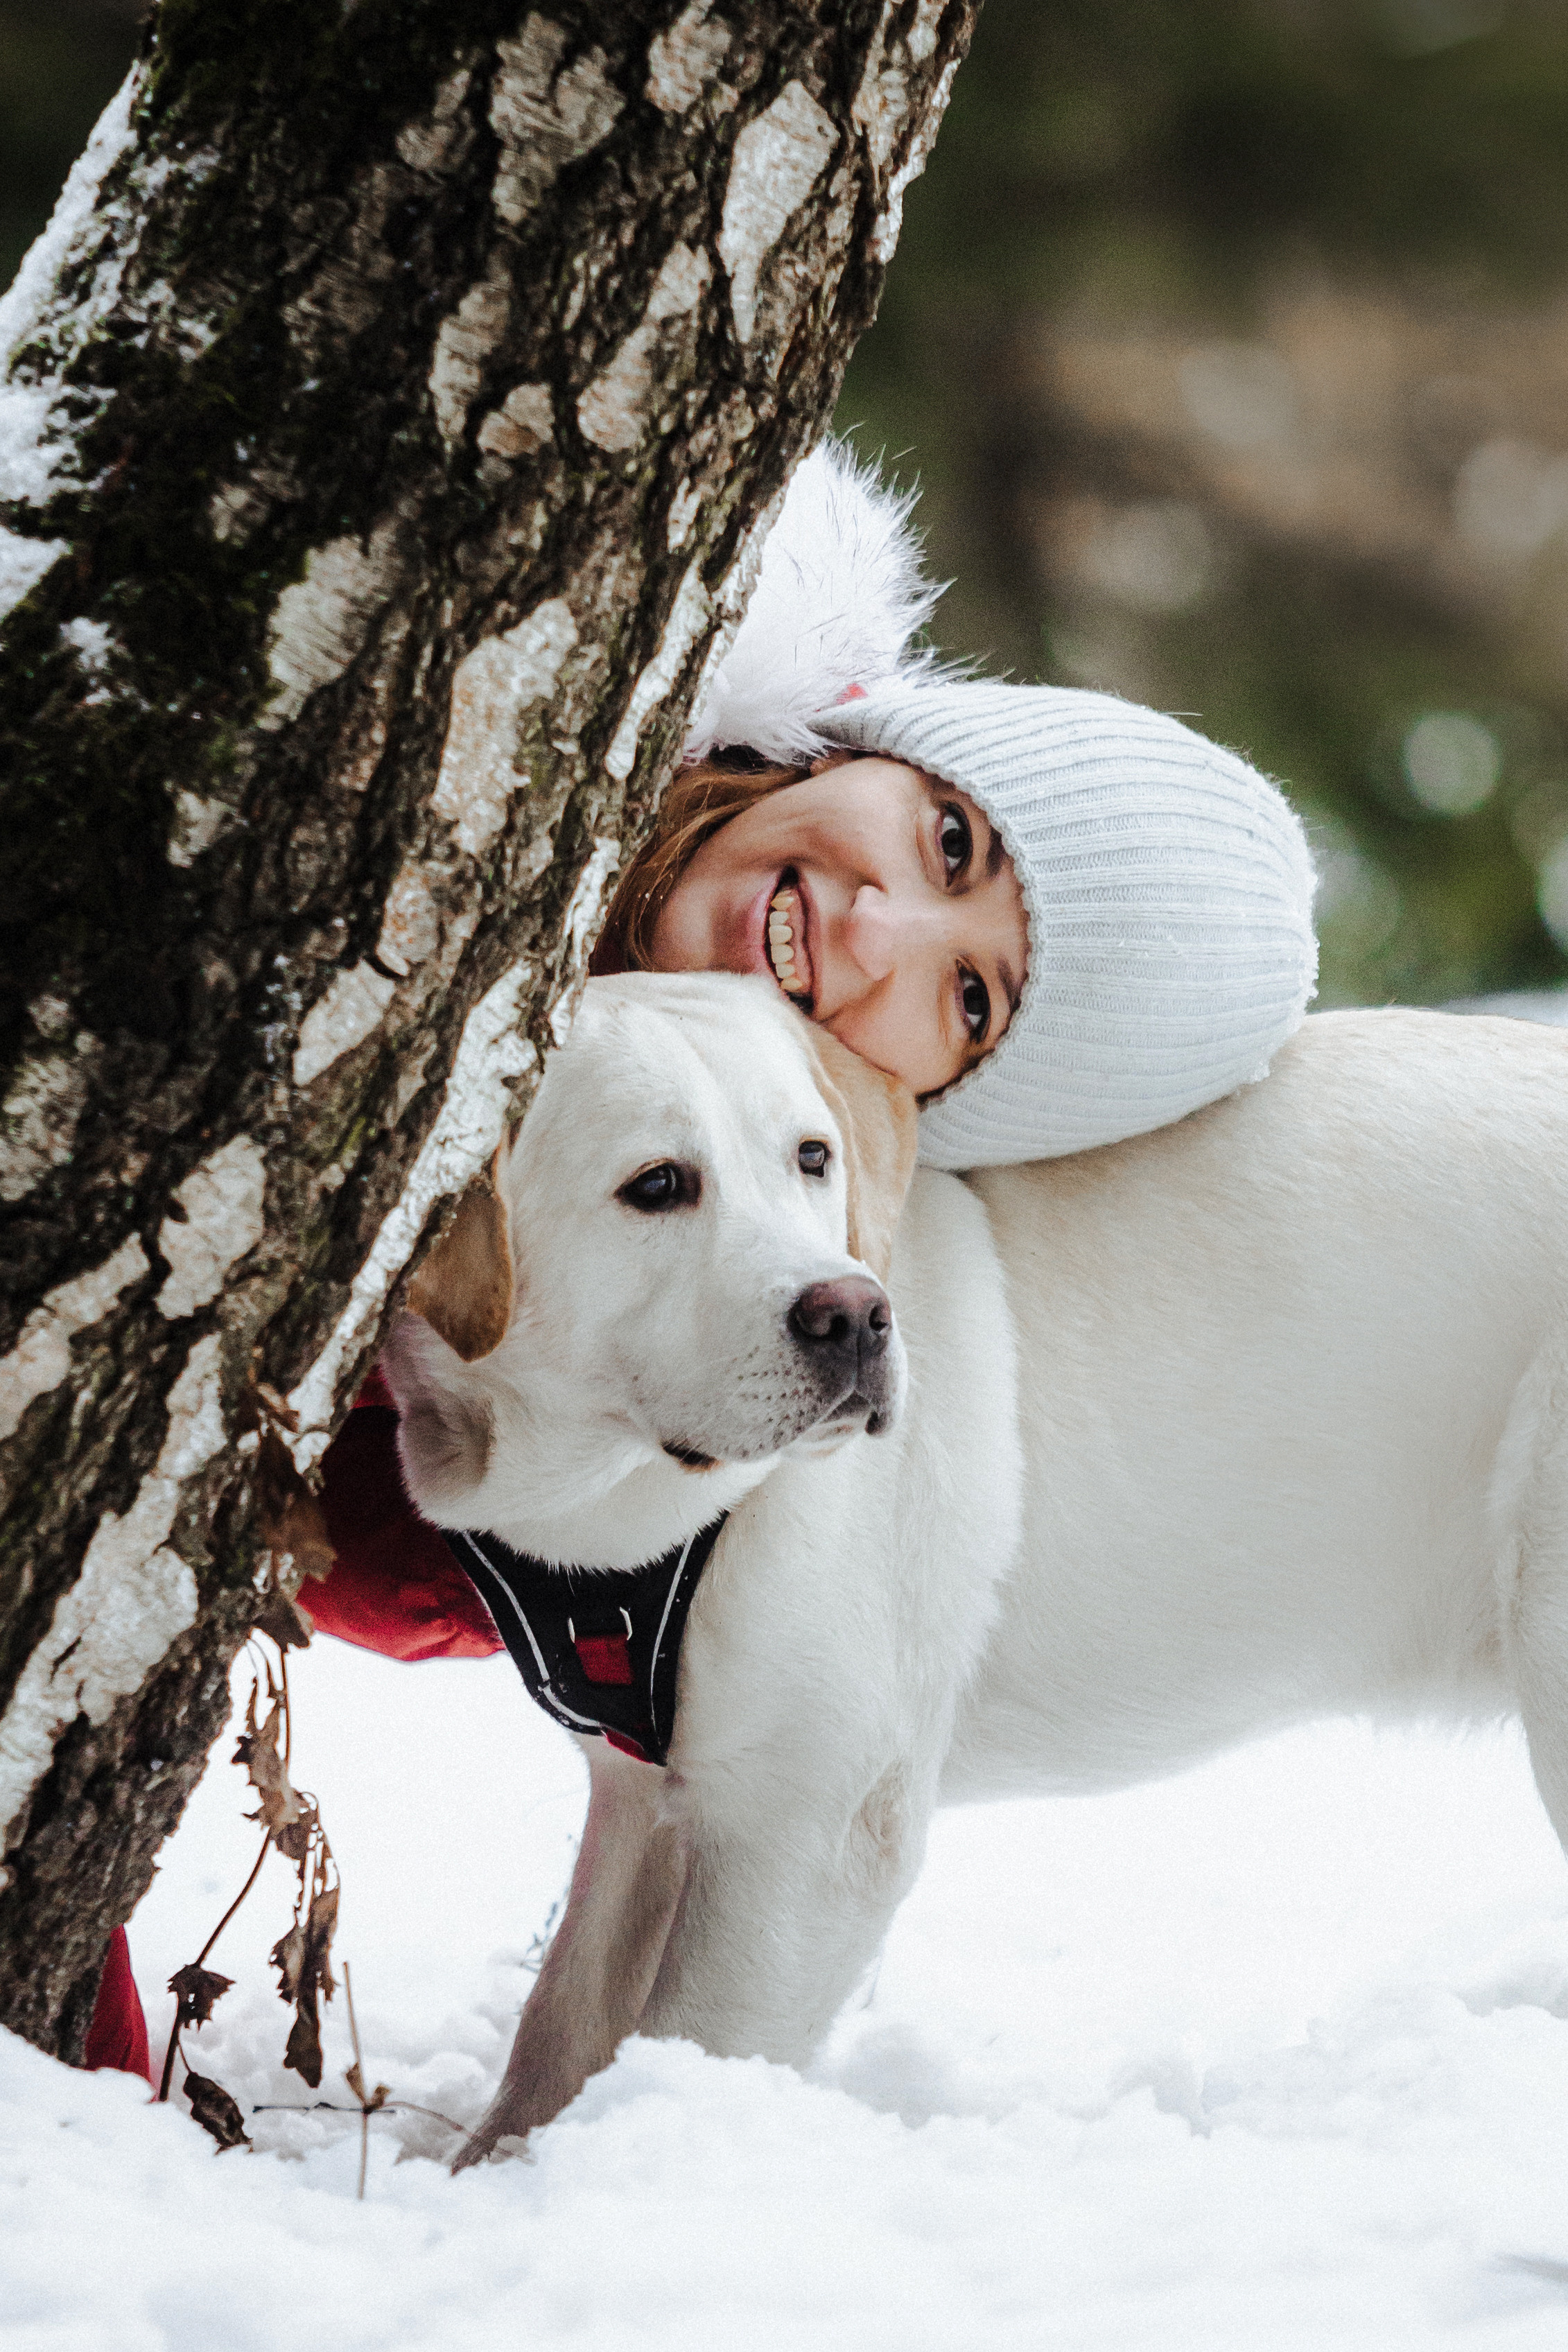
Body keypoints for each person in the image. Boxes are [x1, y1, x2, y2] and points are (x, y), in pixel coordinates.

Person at [89, 446, 1317, 2069]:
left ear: (912, 1105)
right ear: (877, 742)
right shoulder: (448, 787)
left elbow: (402, 1571)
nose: (883, 931)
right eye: (951, 841)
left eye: (967, 1000)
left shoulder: (754, 1139)